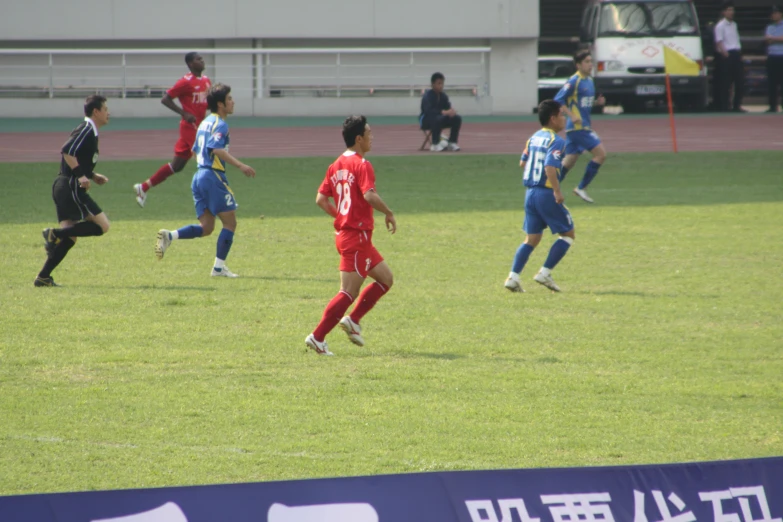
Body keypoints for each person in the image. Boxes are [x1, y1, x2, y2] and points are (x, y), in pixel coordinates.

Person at [305, 115, 397, 356]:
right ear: (359, 138)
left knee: (386, 279)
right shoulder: (362, 164)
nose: (372, 137)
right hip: (356, 237)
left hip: (354, 237)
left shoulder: (335, 165)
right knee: (348, 292)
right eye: (369, 133)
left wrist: (339, 217)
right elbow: (368, 195)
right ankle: (317, 337)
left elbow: (320, 199)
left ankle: (353, 321)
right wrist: (388, 211)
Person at [154, 84, 256, 277]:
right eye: (229, 99)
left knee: (207, 227)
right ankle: (218, 268)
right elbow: (216, 149)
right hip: (211, 176)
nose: (233, 102)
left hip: (199, 176)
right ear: (220, 104)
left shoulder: (204, 122)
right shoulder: (220, 124)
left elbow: (194, 151)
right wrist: (241, 166)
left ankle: (170, 236)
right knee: (230, 223)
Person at [36, 95, 111, 287]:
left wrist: (92, 175)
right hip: (70, 185)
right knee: (103, 226)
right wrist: (81, 176)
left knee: (70, 238)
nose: (108, 113)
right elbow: (67, 151)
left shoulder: (90, 131)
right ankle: (54, 233)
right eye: (105, 109)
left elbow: (78, 157)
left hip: (63, 185)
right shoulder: (86, 128)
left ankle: (43, 277)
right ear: (96, 111)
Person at [504, 100, 573, 294]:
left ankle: (513, 277)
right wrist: (557, 191)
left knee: (532, 238)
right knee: (568, 234)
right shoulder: (557, 141)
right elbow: (550, 166)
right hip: (545, 193)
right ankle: (544, 273)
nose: (564, 118)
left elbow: (522, 162)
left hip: (530, 194)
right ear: (553, 118)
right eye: (561, 114)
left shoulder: (533, 138)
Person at [134, 52, 211, 207]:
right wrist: (184, 112)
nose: (202, 61)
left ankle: (143, 187)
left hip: (200, 125)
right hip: (190, 127)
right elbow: (165, 98)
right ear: (190, 64)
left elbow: (204, 103)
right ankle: (209, 198)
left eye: (202, 58)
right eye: (198, 59)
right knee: (204, 158)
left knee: (177, 166)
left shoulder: (206, 81)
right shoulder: (185, 82)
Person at [554, 50, 607, 204]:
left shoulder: (589, 81)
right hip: (579, 128)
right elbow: (558, 100)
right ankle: (581, 187)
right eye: (587, 62)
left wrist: (597, 103)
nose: (590, 64)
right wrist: (571, 115)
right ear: (578, 65)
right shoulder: (573, 81)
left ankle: (548, 188)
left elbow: (583, 103)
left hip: (579, 128)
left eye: (591, 61)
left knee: (569, 162)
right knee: (601, 155)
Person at [714, 2, 745, 112]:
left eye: (732, 10)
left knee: (739, 82)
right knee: (726, 82)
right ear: (724, 12)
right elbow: (719, 41)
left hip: (736, 53)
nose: (731, 12)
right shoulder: (720, 25)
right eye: (728, 10)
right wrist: (726, 54)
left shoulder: (734, 24)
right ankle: (724, 106)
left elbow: (736, 39)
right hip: (727, 54)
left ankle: (737, 105)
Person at [419, 72, 462, 152]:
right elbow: (429, 111)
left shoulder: (443, 96)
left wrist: (452, 112)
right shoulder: (427, 96)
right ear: (433, 84)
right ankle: (435, 144)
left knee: (457, 118)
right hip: (426, 120)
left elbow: (448, 108)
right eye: (439, 83)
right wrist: (444, 112)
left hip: (440, 119)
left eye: (442, 83)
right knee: (437, 118)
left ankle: (452, 142)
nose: (441, 86)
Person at [765, 5, 783, 113]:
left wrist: (773, 38)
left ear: (781, 14)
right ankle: (772, 106)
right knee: (772, 83)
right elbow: (767, 40)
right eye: (773, 13)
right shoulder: (769, 27)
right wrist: (777, 39)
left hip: (782, 56)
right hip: (772, 57)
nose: (774, 15)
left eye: (776, 13)